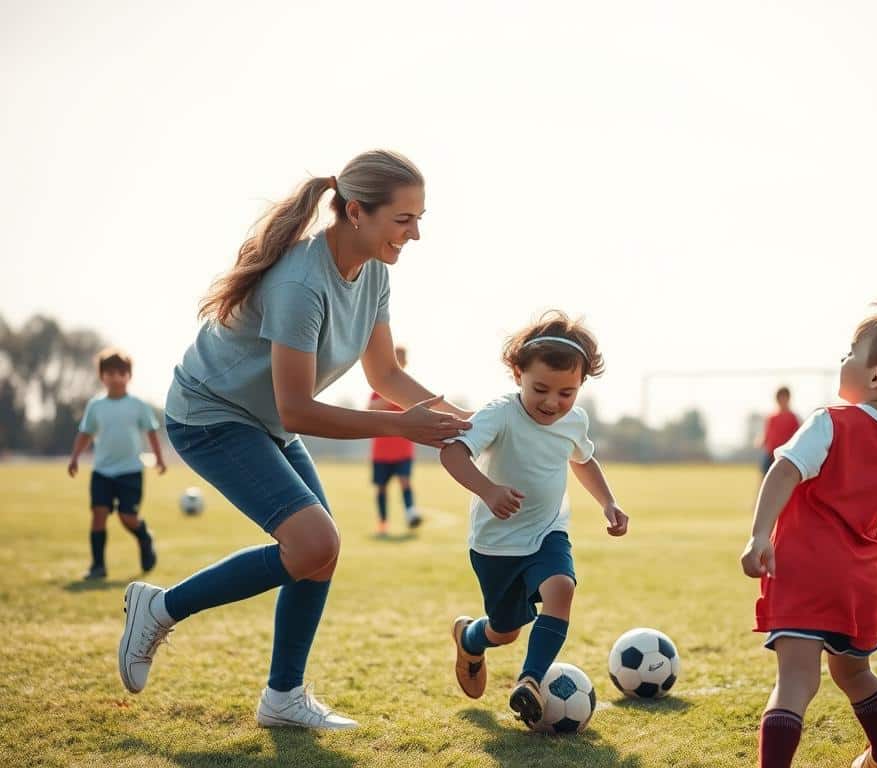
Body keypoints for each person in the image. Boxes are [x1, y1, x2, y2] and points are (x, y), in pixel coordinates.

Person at [117, 149, 471, 730]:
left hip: (265, 421)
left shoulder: (375, 271)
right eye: (405, 219)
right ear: (356, 212)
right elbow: (298, 407)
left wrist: (462, 421)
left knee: (320, 551)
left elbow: (384, 375)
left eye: (420, 217)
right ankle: (158, 608)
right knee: (312, 543)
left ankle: (283, 697)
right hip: (211, 415)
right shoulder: (301, 282)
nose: (416, 233)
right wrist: (397, 426)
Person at [740, 301, 877, 768]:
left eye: (851, 352)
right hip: (862, 580)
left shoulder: (830, 421)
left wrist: (760, 534)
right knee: (855, 672)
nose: (843, 360)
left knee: (796, 682)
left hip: (804, 569)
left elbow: (784, 471)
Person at [442, 311, 628, 729]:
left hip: (548, 532)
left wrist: (608, 502)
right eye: (540, 388)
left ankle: (530, 679)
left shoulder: (573, 421)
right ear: (517, 374)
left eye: (567, 393)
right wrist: (488, 491)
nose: (552, 403)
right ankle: (469, 638)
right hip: (496, 545)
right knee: (504, 631)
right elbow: (453, 452)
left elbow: (583, 460)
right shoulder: (499, 414)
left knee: (561, 587)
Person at [67, 348, 166, 580]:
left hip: (130, 470)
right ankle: (98, 566)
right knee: (98, 515)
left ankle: (144, 537)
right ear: (102, 376)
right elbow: (85, 433)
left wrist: (159, 458)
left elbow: (151, 432)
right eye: (110, 372)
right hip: (102, 470)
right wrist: (74, 458)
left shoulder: (138, 405)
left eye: (121, 372)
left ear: (128, 376)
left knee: (127, 517)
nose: (115, 377)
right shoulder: (96, 406)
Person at [368, 345, 422, 534]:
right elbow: (370, 407)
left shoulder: (410, 387)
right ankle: (383, 523)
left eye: (401, 358)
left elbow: (417, 408)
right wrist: (391, 397)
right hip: (381, 451)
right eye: (395, 358)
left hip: (403, 448)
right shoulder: (380, 386)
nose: (398, 361)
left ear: (405, 362)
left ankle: (411, 514)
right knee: (381, 488)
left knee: (405, 482)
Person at [758, 386, 800, 476]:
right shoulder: (771, 417)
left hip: (786, 456)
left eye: (784, 397)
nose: (782, 400)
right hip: (770, 455)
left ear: (788, 399)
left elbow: (797, 437)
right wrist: (761, 441)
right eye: (780, 398)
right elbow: (767, 436)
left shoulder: (793, 418)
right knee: (765, 475)